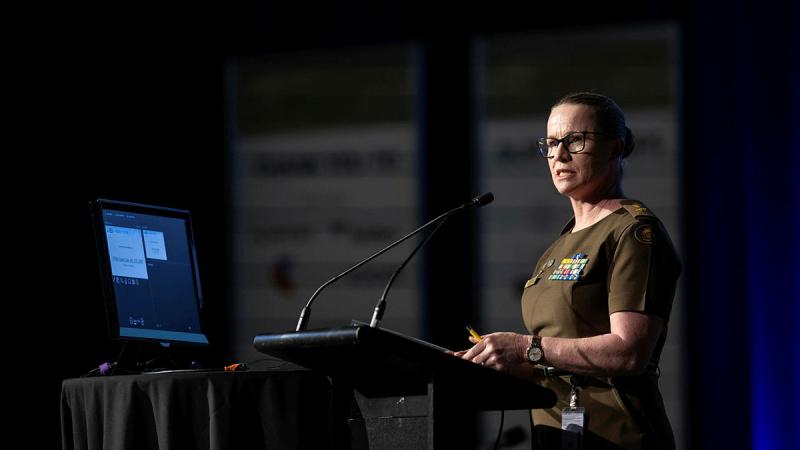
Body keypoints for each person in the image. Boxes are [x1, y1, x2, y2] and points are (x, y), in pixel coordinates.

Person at [458, 92, 681, 450]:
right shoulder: (558, 247)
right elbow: (557, 352)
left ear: (615, 148)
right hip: (556, 435)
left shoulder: (633, 232)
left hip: (617, 436)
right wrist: (496, 361)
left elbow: (629, 352)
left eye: (575, 140)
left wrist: (525, 349)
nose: (558, 155)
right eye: (550, 143)